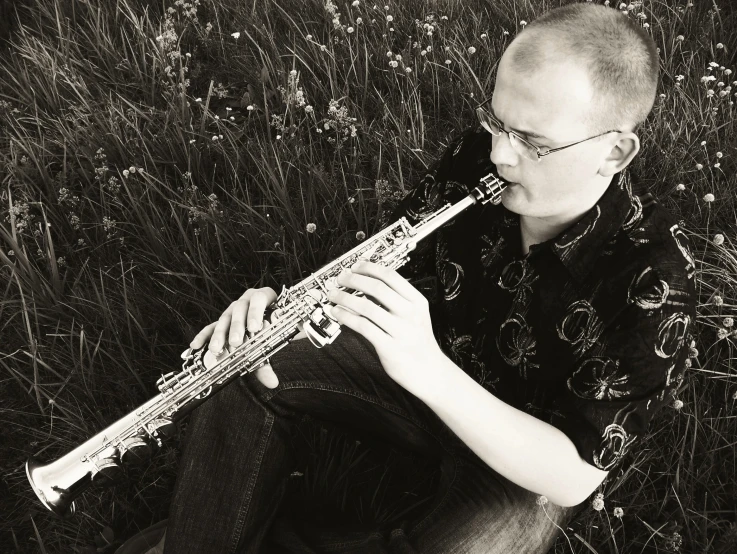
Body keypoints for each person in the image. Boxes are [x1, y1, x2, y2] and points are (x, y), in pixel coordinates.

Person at [116, 3, 697, 553]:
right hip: (411, 368)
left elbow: (572, 477)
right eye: (497, 121)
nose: (499, 154)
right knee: (249, 367)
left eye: (532, 142)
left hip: (520, 459)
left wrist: (430, 371)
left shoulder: (653, 280)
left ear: (615, 152)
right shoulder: (480, 157)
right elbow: (398, 260)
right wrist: (285, 308)